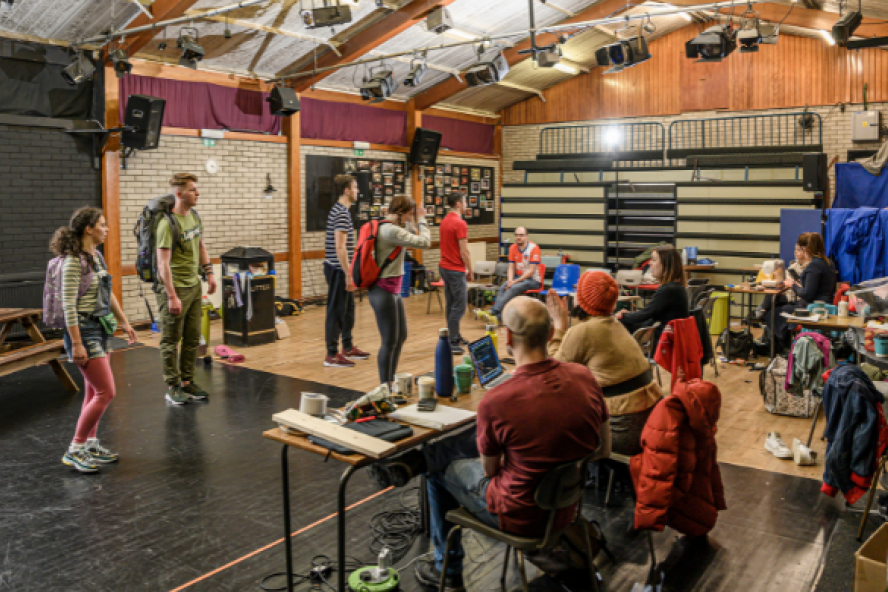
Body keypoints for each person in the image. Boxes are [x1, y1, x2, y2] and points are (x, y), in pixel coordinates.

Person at [368, 297, 611, 590]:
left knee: (439, 470)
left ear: (506, 336)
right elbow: (603, 449)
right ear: (550, 334)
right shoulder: (584, 377)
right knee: (493, 439)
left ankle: (447, 567)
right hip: (566, 507)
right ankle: (422, 462)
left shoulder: (498, 400)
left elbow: (491, 471)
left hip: (519, 514)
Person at [52, 207, 137, 473]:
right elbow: (68, 306)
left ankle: (90, 443)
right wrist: (76, 344)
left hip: (100, 327)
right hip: (83, 331)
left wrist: (123, 320)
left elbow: (106, 292)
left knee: (93, 390)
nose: (107, 228)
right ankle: (75, 449)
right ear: (88, 229)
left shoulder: (95, 256)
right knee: (106, 391)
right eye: (102, 224)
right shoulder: (73, 261)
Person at [547, 271, 662, 456]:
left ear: (584, 300)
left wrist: (559, 327)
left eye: (577, 291)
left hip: (622, 431)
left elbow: (551, 372)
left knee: (551, 423)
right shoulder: (615, 325)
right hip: (651, 422)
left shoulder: (584, 331)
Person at [156, 173, 216, 405]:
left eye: (196, 188)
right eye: (192, 189)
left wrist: (209, 274)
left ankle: (188, 382)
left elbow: (201, 246)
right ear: (179, 194)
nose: (197, 193)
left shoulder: (195, 218)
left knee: (193, 338)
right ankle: (172, 385)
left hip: (193, 285)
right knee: (171, 340)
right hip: (174, 289)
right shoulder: (166, 224)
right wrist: (171, 296)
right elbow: (163, 264)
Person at [369, 194, 431, 387]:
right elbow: (425, 242)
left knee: (400, 336)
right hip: (382, 290)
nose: (410, 217)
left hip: (391, 290)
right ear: (403, 212)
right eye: (409, 213)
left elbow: (410, 234)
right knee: (389, 341)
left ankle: (390, 381)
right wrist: (421, 219)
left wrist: (412, 221)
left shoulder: (392, 227)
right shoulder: (390, 231)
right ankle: (384, 386)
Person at [324, 174, 370, 368]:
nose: (358, 191)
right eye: (355, 187)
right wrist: (348, 275)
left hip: (341, 268)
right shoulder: (341, 213)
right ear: (346, 190)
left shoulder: (341, 211)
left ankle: (348, 346)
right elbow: (340, 247)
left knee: (348, 310)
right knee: (336, 311)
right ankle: (332, 354)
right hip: (338, 269)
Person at [772, 232, 837, 352]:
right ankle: (782, 346)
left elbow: (807, 294)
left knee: (775, 313)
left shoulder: (814, 266)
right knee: (780, 307)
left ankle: (785, 349)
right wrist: (799, 285)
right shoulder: (828, 262)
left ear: (805, 249)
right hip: (824, 304)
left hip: (813, 308)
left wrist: (792, 285)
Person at [616, 244, 688, 345]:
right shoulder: (675, 287)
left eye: (654, 260)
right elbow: (649, 312)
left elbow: (644, 315)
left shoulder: (668, 290)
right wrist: (628, 314)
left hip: (662, 340)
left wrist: (621, 316)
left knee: (619, 322)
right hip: (667, 334)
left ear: (666, 265)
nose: (650, 263)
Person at [476, 227, 541, 325]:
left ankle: (492, 311)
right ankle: (497, 318)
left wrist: (514, 282)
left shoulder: (534, 248)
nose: (518, 237)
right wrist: (510, 280)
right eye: (516, 235)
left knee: (513, 288)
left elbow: (531, 272)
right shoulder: (512, 248)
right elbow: (511, 268)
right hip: (518, 278)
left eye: (521, 235)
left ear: (526, 236)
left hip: (532, 280)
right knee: (503, 287)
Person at [438, 191, 474, 355]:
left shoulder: (445, 221)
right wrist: (470, 270)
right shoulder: (460, 223)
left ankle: (455, 334)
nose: (466, 204)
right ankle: (451, 341)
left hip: (444, 267)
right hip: (454, 269)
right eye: (465, 202)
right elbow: (464, 252)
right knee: (459, 306)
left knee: (451, 303)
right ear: (458, 204)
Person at [753, 235, 809, 322]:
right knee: (772, 290)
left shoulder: (808, 268)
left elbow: (801, 287)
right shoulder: (794, 266)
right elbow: (785, 278)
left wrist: (790, 284)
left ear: (805, 251)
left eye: (798, 250)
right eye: (795, 250)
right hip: (788, 293)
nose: (795, 252)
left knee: (772, 301)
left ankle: (762, 311)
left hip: (796, 297)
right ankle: (763, 311)